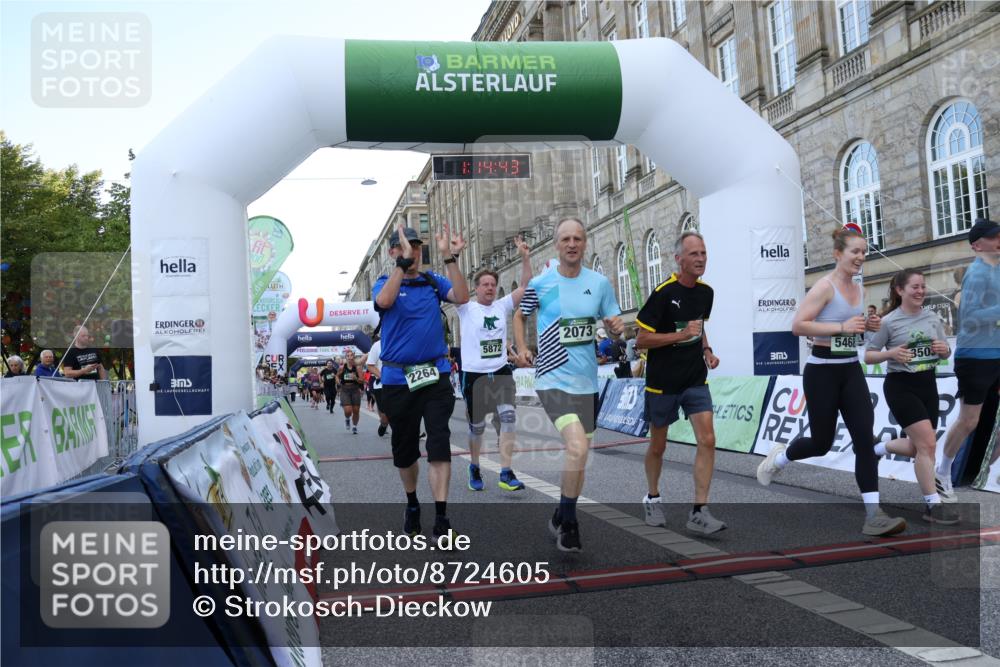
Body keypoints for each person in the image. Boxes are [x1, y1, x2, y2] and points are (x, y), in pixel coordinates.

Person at [757, 226, 906, 536]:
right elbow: (798, 326)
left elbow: (856, 333)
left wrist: (867, 326)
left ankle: (873, 515)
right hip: (822, 371)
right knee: (822, 443)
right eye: (855, 251)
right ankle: (780, 458)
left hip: (850, 370)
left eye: (864, 252)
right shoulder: (824, 287)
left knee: (865, 440)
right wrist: (841, 325)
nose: (861, 257)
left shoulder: (860, 288)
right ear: (838, 254)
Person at [514, 218, 623, 552]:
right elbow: (519, 314)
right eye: (566, 239)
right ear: (557, 245)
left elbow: (616, 325)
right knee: (576, 447)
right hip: (552, 379)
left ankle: (561, 514)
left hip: (586, 383)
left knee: (580, 455)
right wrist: (521, 348)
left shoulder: (600, 283)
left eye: (577, 238)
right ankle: (571, 525)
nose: (572, 244)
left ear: (585, 243)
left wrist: (617, 328)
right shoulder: (543, 283)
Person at [374, 222, 469, 548]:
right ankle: (413, 503)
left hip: (436, 374)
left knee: (439, 440)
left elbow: (462, 296)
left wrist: (451, 258)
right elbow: (385, 302)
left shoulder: (432, 282)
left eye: (416, 247)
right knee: (405, 450)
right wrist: (401, 267)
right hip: (398, 379)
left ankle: (442, 519)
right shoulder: (384, 282)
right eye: (405, 247)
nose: (413, 252)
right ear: (393, 252)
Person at [636, 231, 726, 534]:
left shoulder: (706, 293)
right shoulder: (663, 294)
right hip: (662, 383)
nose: (700, 259)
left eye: (703, 253)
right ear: (679, 259)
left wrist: (707, 350)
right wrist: (680, 335)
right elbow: (641, 340)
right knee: (658, 446)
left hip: (694, 380)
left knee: (708, 440)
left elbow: (698, 329)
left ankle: (699, 510)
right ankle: (652, 496)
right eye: (694, 254)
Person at [864, 269, 958, 524]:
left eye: (922, 287)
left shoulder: (932, 319)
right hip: (900, 386)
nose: (920, 291)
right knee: (927, 445)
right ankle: (932, 506)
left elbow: (944, 352)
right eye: (914, 287)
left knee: (920, 447)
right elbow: (869, 355)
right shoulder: (889, 321)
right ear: (900, 290)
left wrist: (944, 349)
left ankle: (878, 448)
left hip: (927, 384)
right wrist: (892, 353)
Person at [458, 235, 532, 493]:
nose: (489, 288)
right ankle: (475, 466)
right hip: (475, 376)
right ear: (476, 288)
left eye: (493, 284)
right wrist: (452, 256)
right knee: (477, 428)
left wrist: (525, 256)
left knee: (508, 418)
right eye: (485, 284)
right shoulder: (466, 308)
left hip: (500, 372)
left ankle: (506, 472)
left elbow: (525, 285)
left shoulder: (502, 306)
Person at [935, 218, 1000, 500]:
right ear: (977, 245)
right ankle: (943, 471)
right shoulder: (976, 274)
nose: (999, 240)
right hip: (976, 357)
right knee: (969, 420)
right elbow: (971, 318)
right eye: (994, 237)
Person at [366, 336, 390, 437]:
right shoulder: (377, 345)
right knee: (385, 416)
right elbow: (369, 365)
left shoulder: (402, 340)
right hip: (381, 385)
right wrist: (383, 377)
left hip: (400, 384)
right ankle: (384, 424)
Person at [338, 349, 364, 434]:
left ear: (354, 357)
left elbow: (362, 381)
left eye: (351, 355)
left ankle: (355, 426)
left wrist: (356, 378)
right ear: (346, 358)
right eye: (348, 356)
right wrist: (338, 381)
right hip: (345, 390)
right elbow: (336, 376)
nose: (350, 357)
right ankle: (347, 418)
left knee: (356, 410)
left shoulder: (358, 368)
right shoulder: (342, 368)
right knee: (348, 411)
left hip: (355, 390)